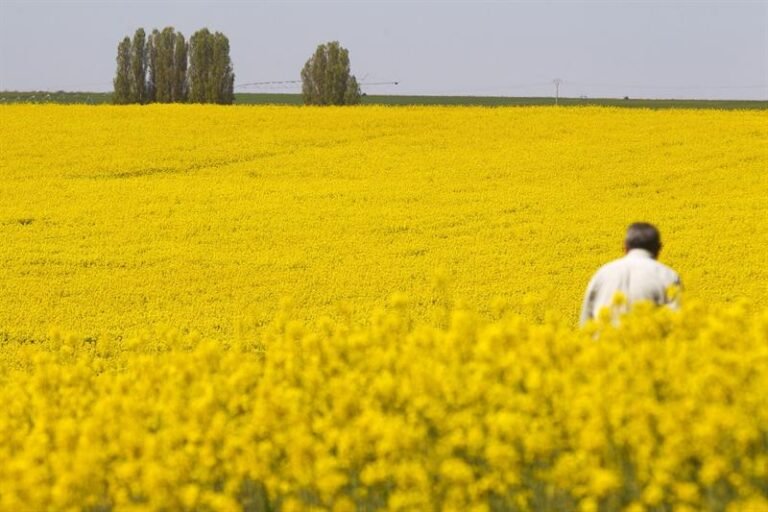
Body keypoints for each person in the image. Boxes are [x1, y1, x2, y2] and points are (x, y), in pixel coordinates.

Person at [579, 222, 681, 325]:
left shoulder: (602, 274)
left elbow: (585, 324)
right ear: (658, 248)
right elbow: (678, 323)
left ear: (625, 246)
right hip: (647, 339)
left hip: (604, 339)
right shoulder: (668, 276)